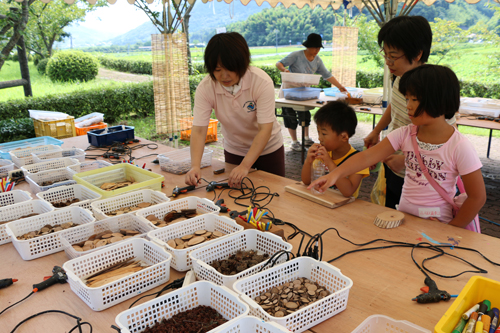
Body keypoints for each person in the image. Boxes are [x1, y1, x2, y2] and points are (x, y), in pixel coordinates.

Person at [309, 65, 486, 230]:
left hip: (437, 225)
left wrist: (452, 229)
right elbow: (367, 157)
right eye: (407, 98)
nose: (408, 105)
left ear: (439, 100)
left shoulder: (459, 146)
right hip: (404, 219)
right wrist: (334, 175)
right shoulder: (405, 134)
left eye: (414, 99)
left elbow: (477, 196)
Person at [363, 16, 457, 209]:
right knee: (391, 214)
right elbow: (394, 106)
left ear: (417, 54)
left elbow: (447, 141)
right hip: (393, 165)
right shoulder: (400, 79)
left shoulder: (432, 92)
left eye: (393, 56)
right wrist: (376, 131)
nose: (388, 62)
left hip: (420, 177)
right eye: (385, 55)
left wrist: (406, 161)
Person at [185, 32, 284, 188]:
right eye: (217, 70)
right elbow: (199, 130)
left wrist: (245, 166)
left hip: (268, 149)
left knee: (274, 194)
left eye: (230, 68)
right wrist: (195, 166)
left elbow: (265, 129)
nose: (224, 76)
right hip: (235, 149)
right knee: (235, 196)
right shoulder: (206, 88)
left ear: (242, 63)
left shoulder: (261, 82)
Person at [276, 33, 347, 152]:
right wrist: (284, 69)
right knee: (290, 117)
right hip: (289, 91)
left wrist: (340, 86)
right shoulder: (296, 55)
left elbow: (327, 75)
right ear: (308, 46)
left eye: (319, 48)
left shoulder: (317, 60)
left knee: (305, 114)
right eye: (315, 47)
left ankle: (306, 138)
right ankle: (294, 142)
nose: (317, 50)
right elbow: (279, 63)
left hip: (304, 92)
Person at [301, 101, 369, 198]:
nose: (320, 138)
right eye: (318, 132)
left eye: (324, 134)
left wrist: (329, 163)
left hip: (345, 208)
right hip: (323, 201)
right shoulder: (323, 154)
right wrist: (308, 161)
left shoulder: (358, 160)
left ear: (344, 137)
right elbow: (306, 181)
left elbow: (348, 191)